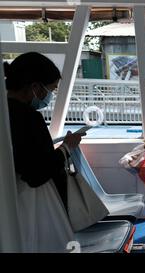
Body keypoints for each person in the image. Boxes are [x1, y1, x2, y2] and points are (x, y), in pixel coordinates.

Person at [6, 52, 85, 252]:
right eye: (51, 90)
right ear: (35, 87)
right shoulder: (30, 119)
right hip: (32, 206)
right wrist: (67, 148)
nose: (50, 96)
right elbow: (37, 173)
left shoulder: (5, 111)